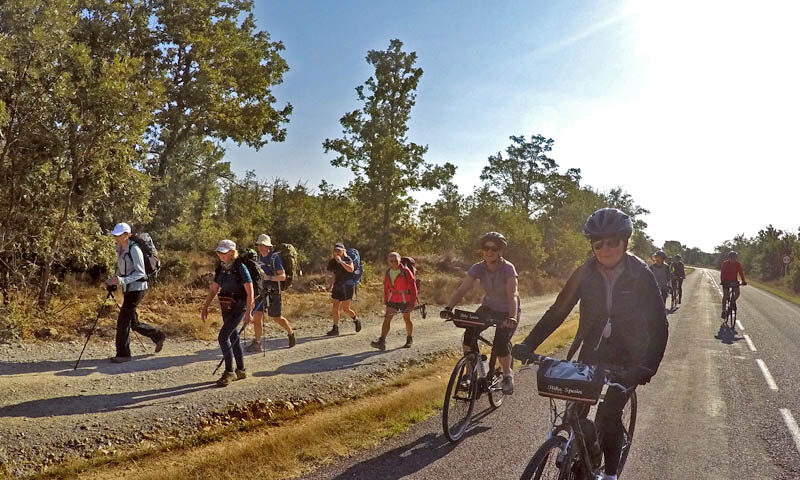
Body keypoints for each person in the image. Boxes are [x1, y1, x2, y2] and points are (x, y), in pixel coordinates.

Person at [511, 208, 669, 480]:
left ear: (625, 242)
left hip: (630, 358)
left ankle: (609, 475)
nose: (605, 248)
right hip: (593, 351)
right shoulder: (585, 272)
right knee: (575, 411)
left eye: (612, 242)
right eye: (598, 243)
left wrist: (647, 366)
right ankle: (581, 456)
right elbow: (557, 312)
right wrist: (528, 344)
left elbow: (658, 325)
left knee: (608, 415)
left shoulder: (641, 274)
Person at [440, 232, 519, 395]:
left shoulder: (508, 268)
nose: (489, 252)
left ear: (500, 251)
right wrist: (448, 308)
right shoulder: (478, 267)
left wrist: (512, 317)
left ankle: (507, 375)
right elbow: (462, 289)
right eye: (486, 248)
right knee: (469, 334)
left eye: (493, 248)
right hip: (488, 306)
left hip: (508, 309)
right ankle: (469, 374)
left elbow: (513, 296)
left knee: (500, 343)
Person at [106, 222, 165, 363]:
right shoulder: (120, 248)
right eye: (115, 235)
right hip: (128, 288)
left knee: (123, 321)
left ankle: (123, 354)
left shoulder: (134, 249)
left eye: (118, 235)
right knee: (133, 322)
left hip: (138, 288)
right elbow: (121, 269)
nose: (116, 237)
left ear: (127, 235)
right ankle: (158, 336)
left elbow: (140, 273)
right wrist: (112, 281)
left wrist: (120, 281)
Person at [201, 240, 254, 387]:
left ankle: (229, 372)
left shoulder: (240, 268)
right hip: (226, 304)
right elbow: (214, 289)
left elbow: (250, 292)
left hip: (238, 306)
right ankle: (241, 370)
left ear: (232, 253)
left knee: (223, 337)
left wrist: (248, 312)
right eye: (219, 252)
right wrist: (205, 307)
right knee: (233, 335)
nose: (220, 255)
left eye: (223, 253)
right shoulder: (221, 268)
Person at [245, 234, 296, 351]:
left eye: (263, 245)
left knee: (277, 318)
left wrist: (269, 278)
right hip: (261, 291)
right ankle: (257, 343)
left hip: (273, 292)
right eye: (259, 245)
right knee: (257, 317)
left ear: (268, 246)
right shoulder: (257, 258)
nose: (261, 247)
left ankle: (290, 333)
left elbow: (282, 276)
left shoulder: (274, 258)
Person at [371, 252, 418, 350]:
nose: (394, 263)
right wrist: (386, 299)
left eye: (396, 260)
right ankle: (382, 341)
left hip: (405, 298)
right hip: (393, 298)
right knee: (387, 318)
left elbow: (413, 287)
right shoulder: (388, 271)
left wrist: (412, 302)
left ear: (399, 260)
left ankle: (409, 339)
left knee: (406, 318)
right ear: (388, 261)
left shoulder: (406, 271)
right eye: (391, 261)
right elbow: (386, 286)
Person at [326, 243, 361, 336]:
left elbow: (351, 269)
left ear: (343, 251)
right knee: (335, 308)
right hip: (337, 285)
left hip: (347, 286)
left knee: (345, 309)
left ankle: (356, 320)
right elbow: (332, 274)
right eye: (336, 250)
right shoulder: (332, 262)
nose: (337, 252)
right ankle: (335, 328)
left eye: (339, 250)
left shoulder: (348, 259)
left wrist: (341, 262)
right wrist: (330, 285)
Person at [720, 251, 747, 318]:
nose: (733, 259)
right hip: (726, 281)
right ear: (729, 258)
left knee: (737, 293)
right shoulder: (725, 263)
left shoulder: (738, 264)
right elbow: (722, 273)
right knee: (725, 295)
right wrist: (723, 281)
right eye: (732, 258)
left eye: (735, 258)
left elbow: (741, 273)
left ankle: (732, 302)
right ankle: (723, 310)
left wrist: (743, 280)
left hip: (734, 281)